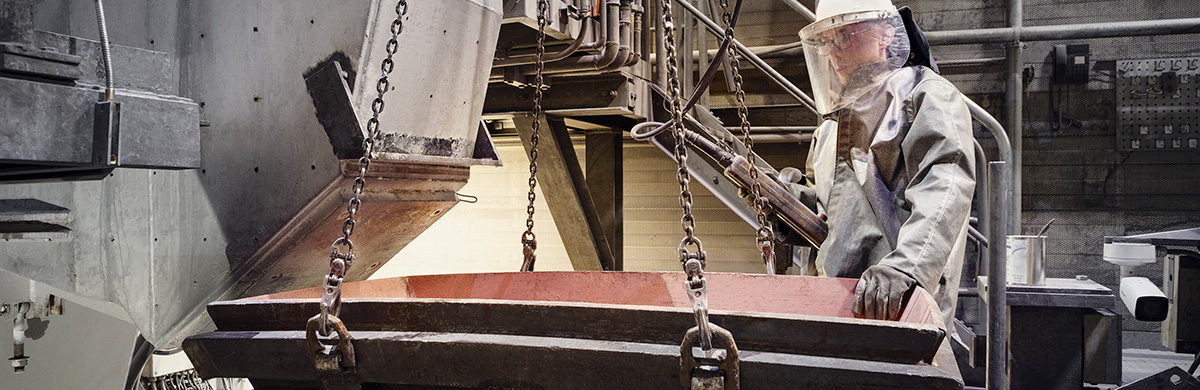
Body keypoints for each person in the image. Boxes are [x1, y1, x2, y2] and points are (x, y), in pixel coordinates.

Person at [776, 0, 976, 330]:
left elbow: (946, 186)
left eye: (845, 36)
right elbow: (834, 211)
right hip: (837, 304)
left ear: (885, 34)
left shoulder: (923, 96)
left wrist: (906, 268)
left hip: (898, 309)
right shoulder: (830, 126)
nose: (834, 52)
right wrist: (787, 202)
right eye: (827, 41)